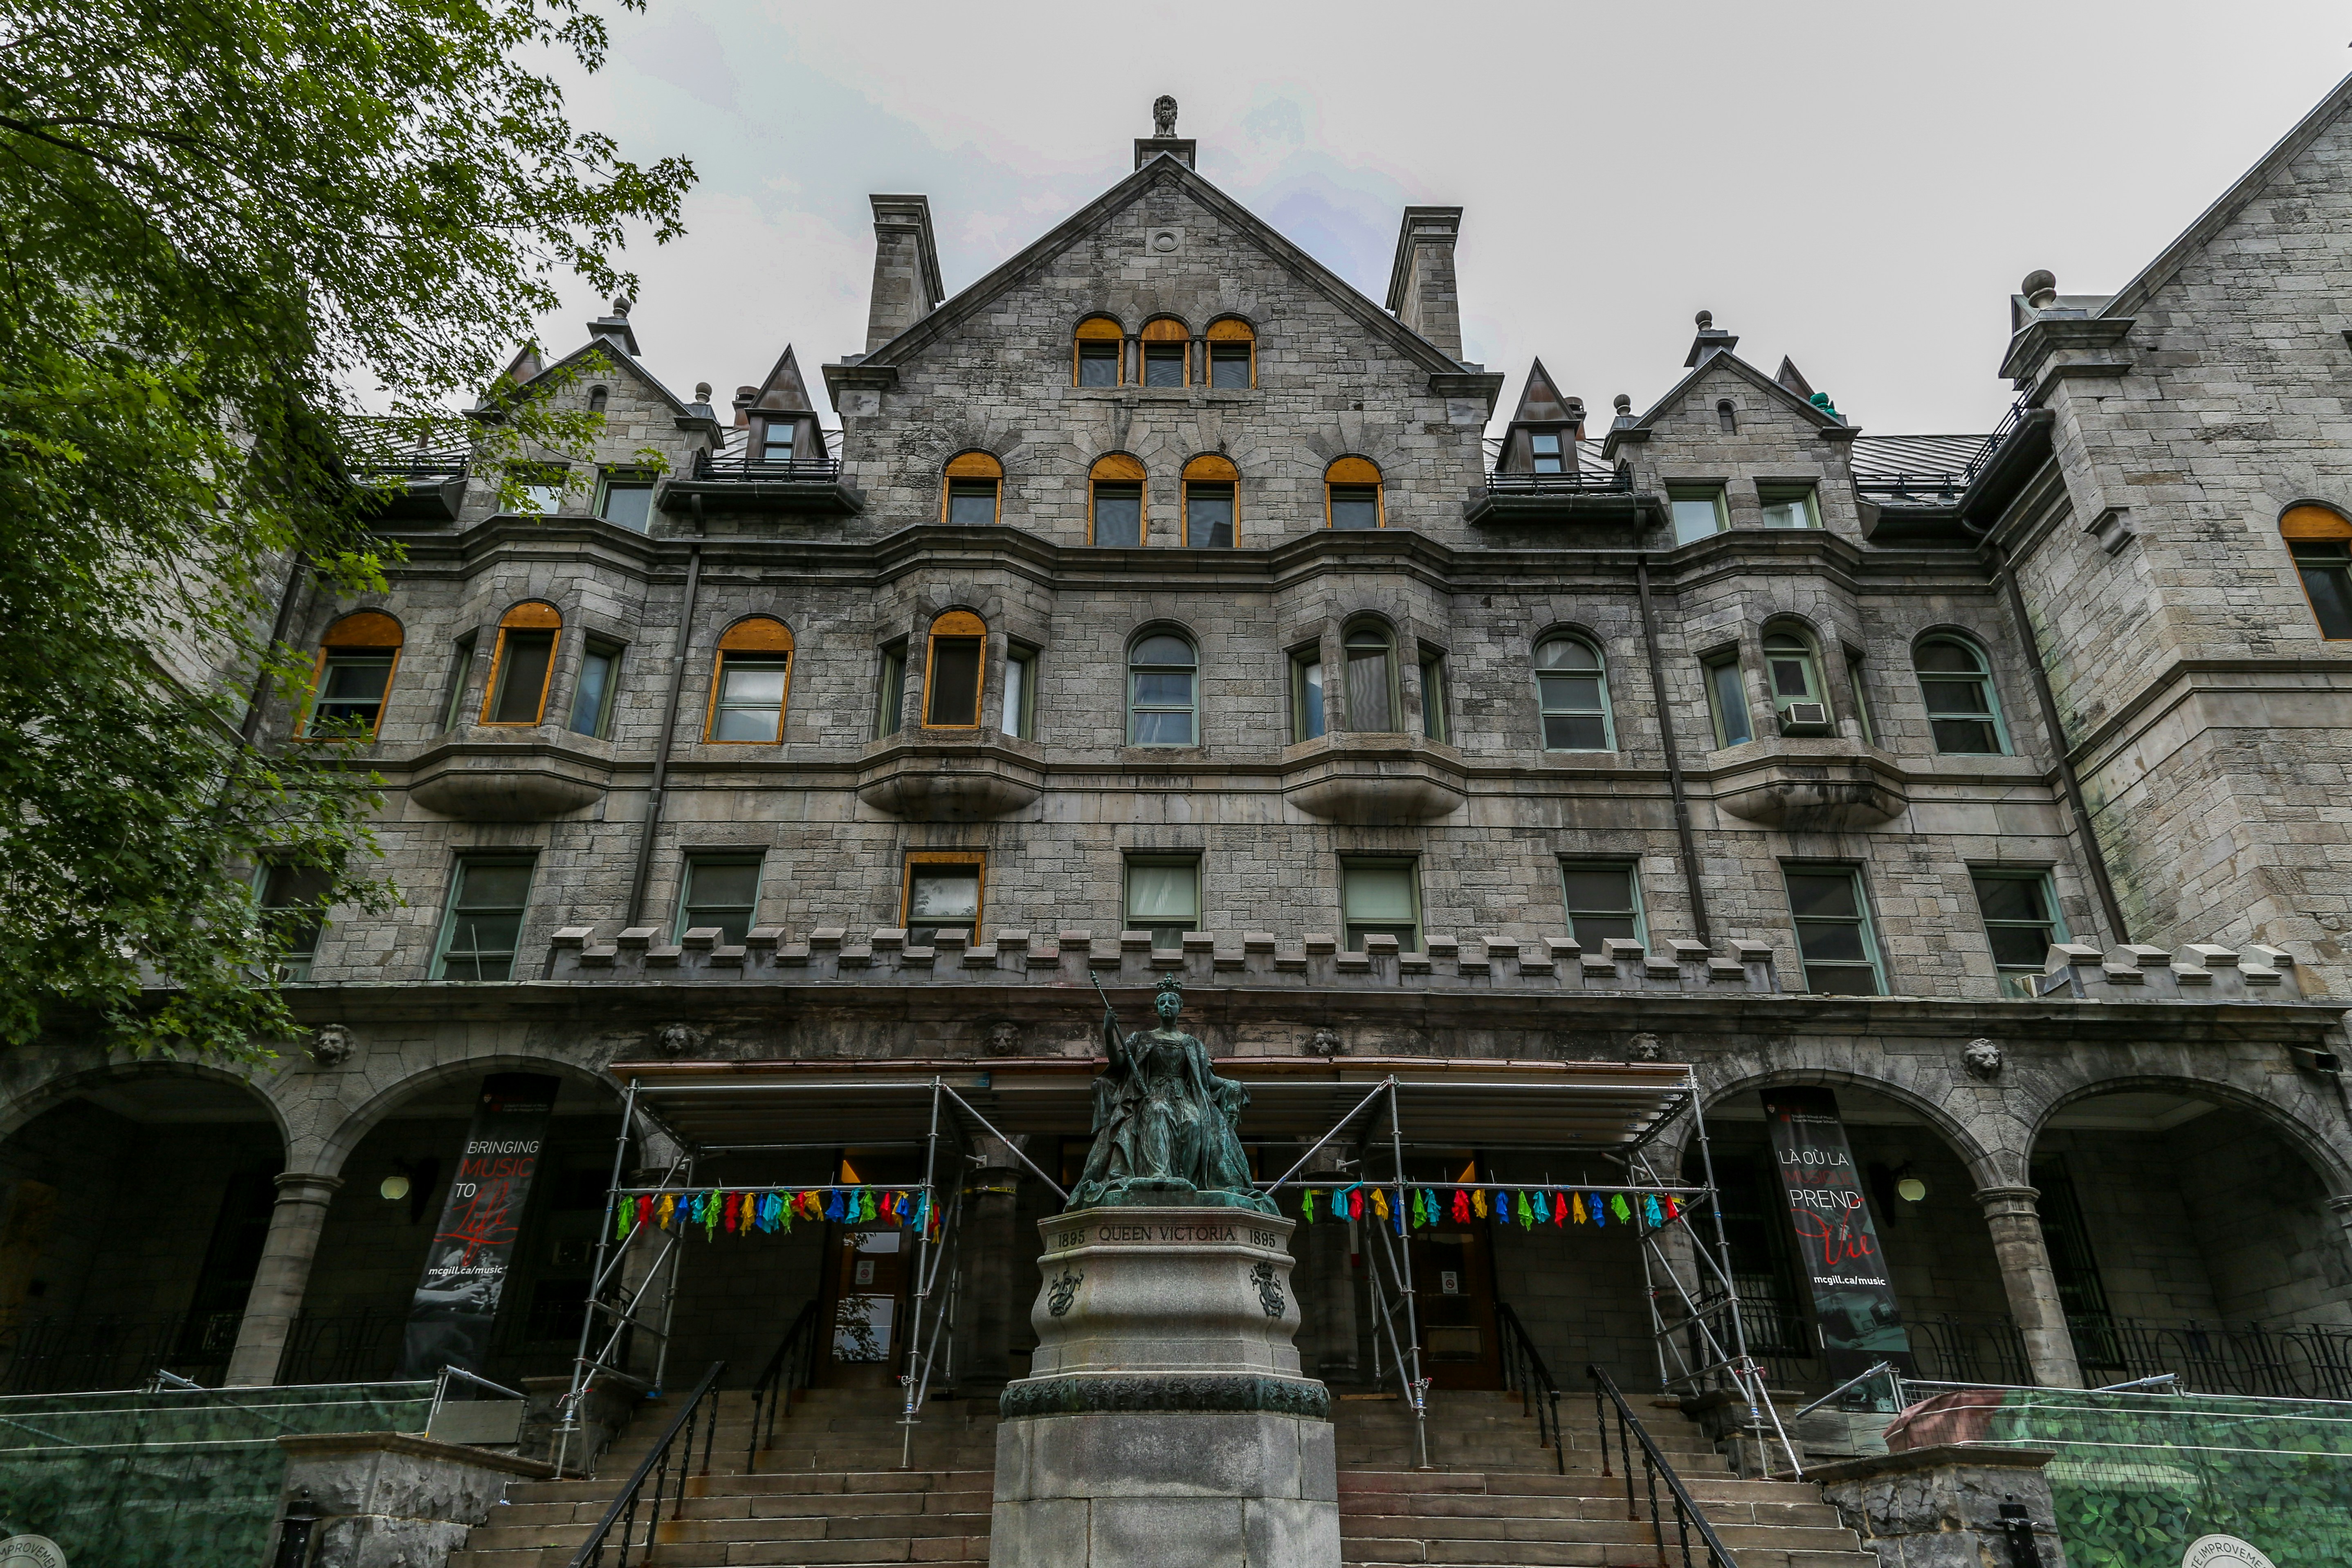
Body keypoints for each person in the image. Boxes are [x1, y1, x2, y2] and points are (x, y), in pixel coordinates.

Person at [1070, 975, 1272, 1213]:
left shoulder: (1193, 1044)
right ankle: (1159, 1174)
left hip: (1183, 1096)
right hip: (1150, 1094)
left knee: (1195, 1120)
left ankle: (1187, 1181)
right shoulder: (1142, 1038)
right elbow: (1118, 1066)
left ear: (1180, 1008)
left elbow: (1208, 1080)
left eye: (1172, 1002)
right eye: (1163, 1002)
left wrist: (1231, 1085)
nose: (1167, 1006)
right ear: (1157, 1008)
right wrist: (1108, 1033)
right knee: (1158, 1111)